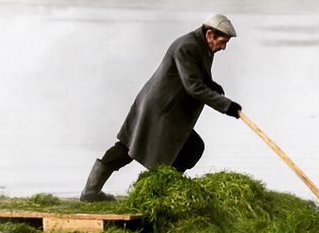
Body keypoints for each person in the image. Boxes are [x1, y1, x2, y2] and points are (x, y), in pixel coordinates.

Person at [80, 14, 242, 201]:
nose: (223, 47)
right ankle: (92, 192)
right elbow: (193, 87)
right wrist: (226, 106)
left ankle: (161, 189)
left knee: (191, 148)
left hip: (167, 109)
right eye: (223, 41)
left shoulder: (203, 47)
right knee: (127, 149)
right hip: (159, 109)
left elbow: (197, 75)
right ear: (210, 34)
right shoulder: (187, 47)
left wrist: (211, 85)